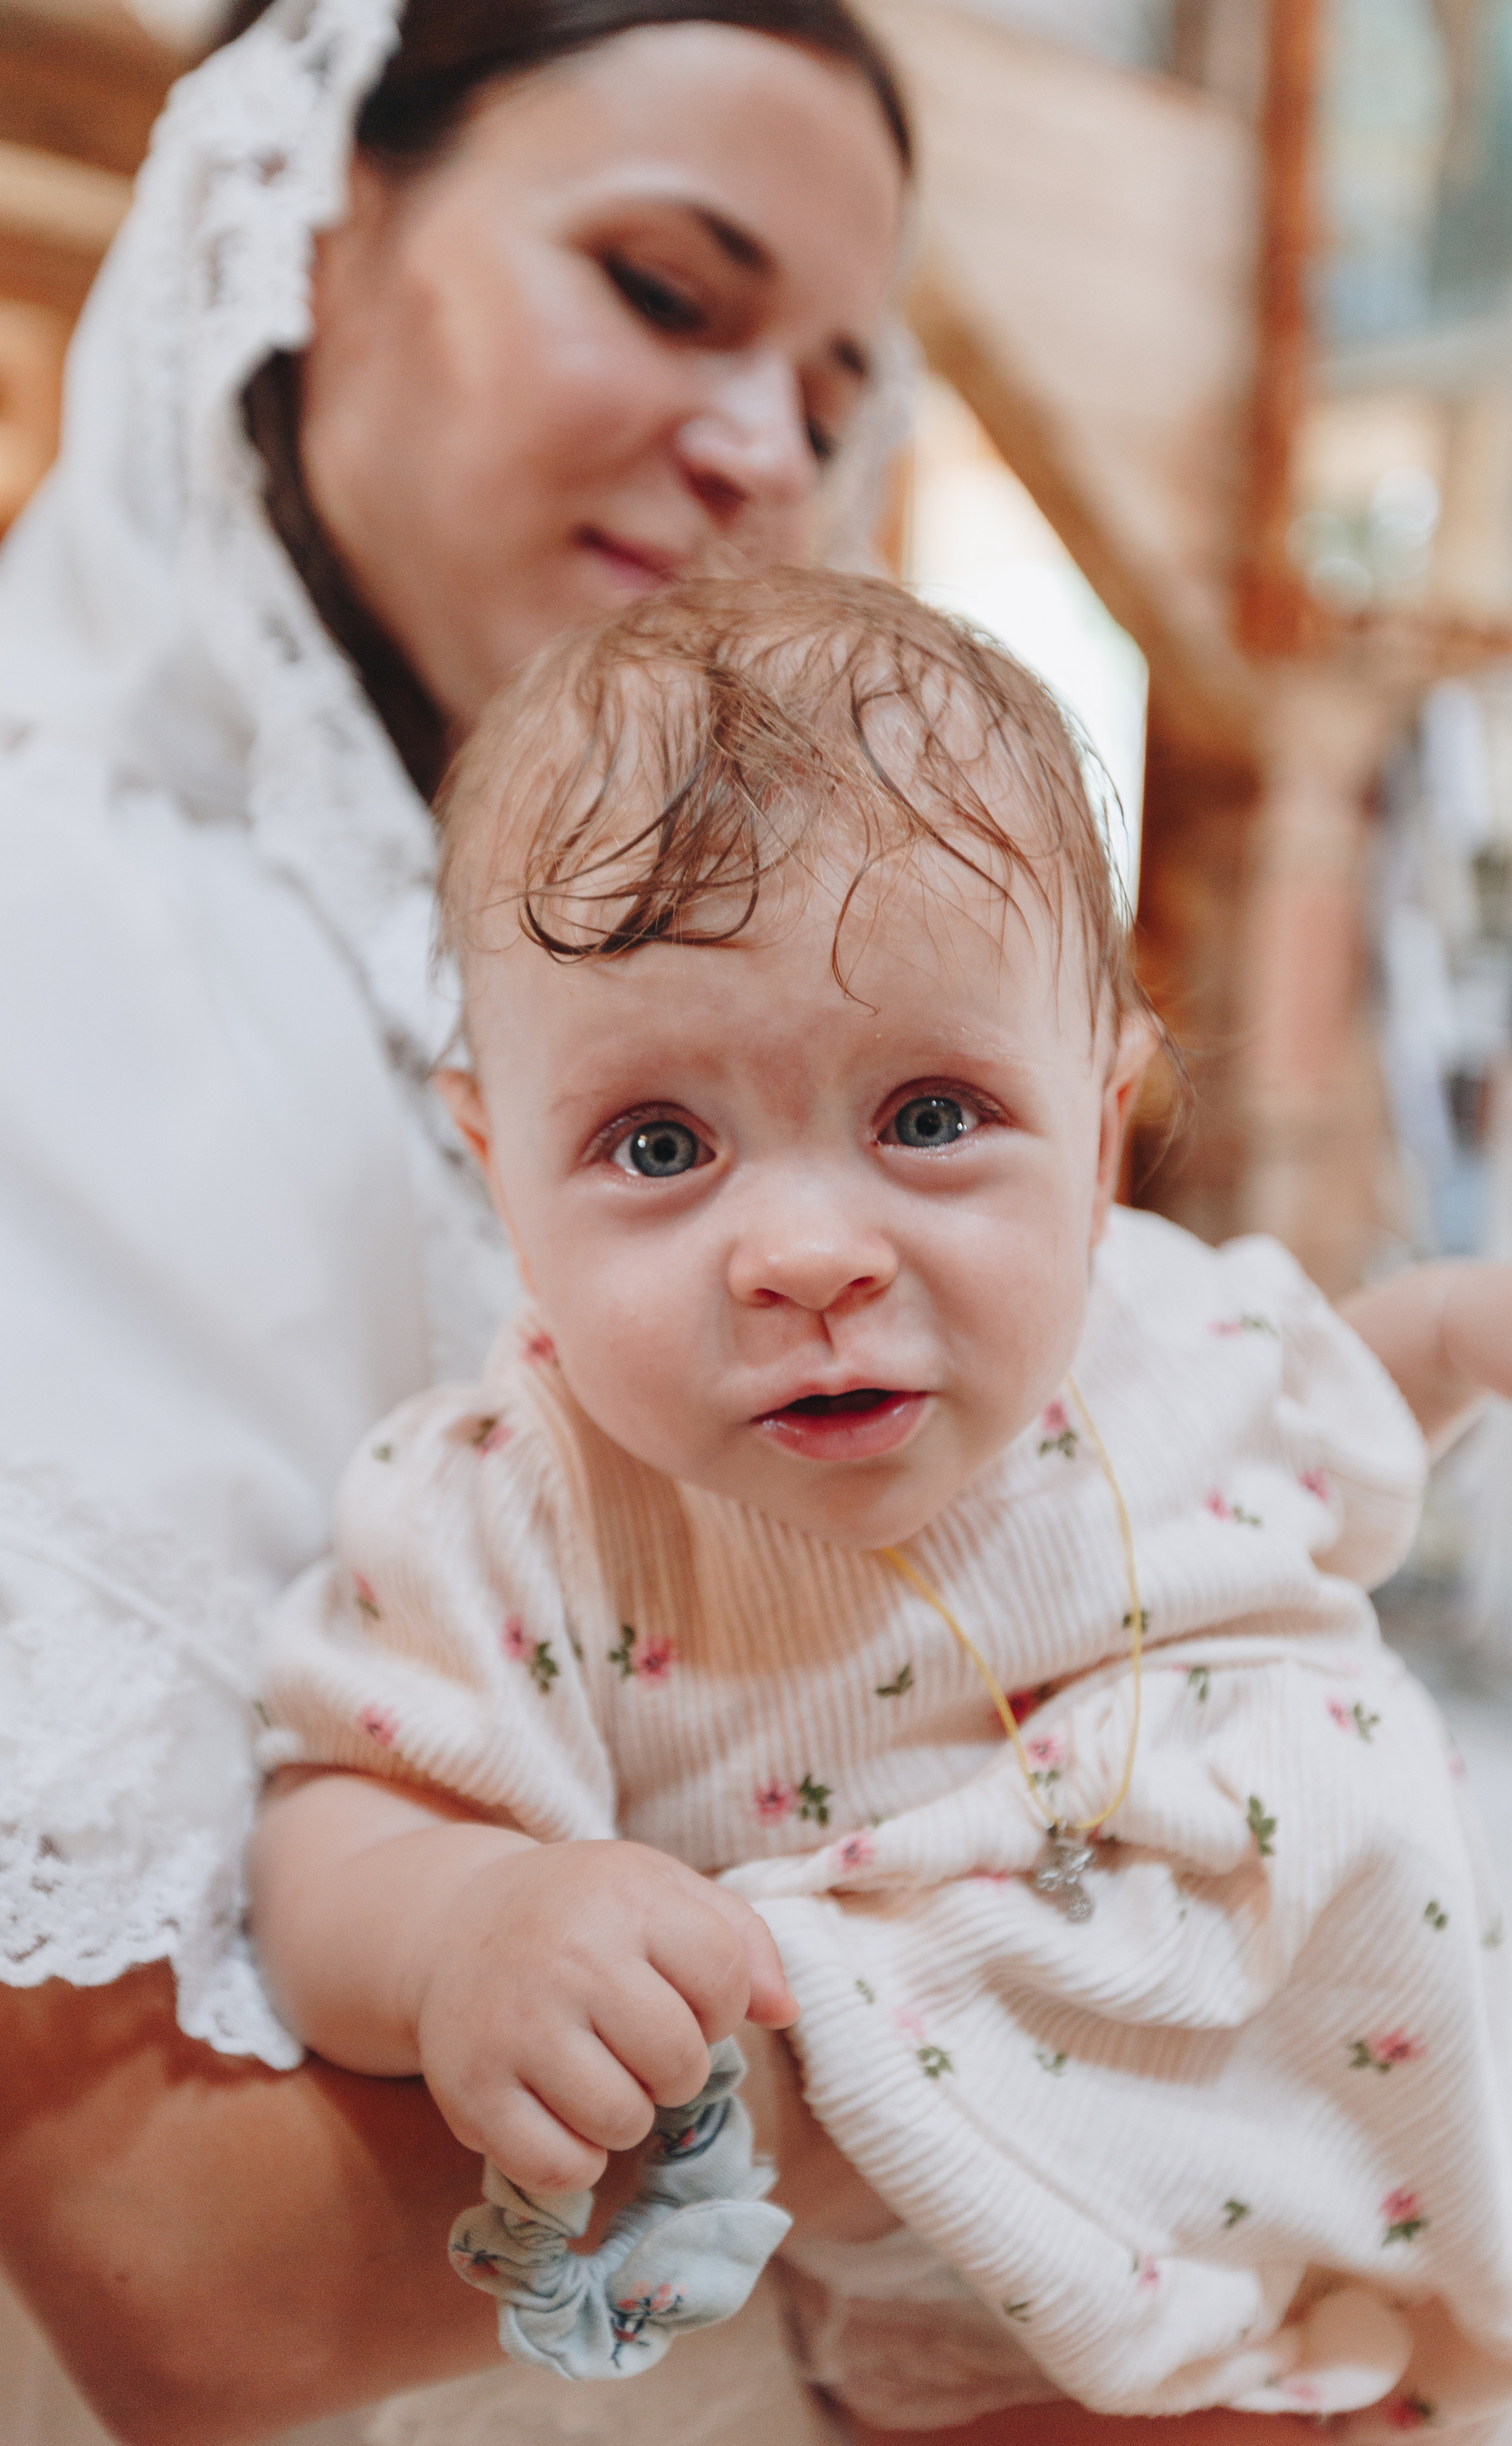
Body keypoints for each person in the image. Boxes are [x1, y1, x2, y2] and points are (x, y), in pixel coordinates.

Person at [251, 568, 1512, 2442]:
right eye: (659, 1145)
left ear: (1102, 1126)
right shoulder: (525, 1500)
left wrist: (1470, 1329)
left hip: (1376, 2241)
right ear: (498, 1164)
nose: (810, 1253)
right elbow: (338, 1822)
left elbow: (1316, 1395)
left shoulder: (1160, 1319)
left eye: (929, 1116)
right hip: (990, 2349)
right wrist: (467, 1927)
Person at [0, 3, 911, 2442]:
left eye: (833, 390)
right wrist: (1088, 2031)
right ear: (322, 219)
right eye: (669, 289)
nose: (765, 449)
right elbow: (187, 2289)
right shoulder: (47, 937)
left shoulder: (612, 1012)